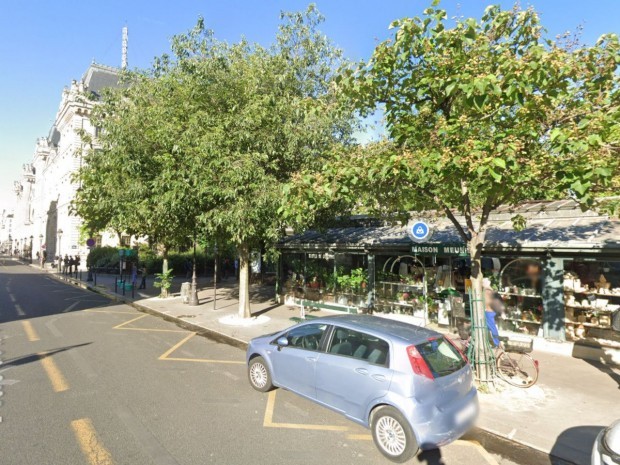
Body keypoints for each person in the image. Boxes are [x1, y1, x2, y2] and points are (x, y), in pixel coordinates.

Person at [483, 279, 505, 347]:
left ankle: (497, 343)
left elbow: (489, 301)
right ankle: (488, 342)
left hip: (489, 311)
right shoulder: (489, 290)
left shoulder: (487, 291)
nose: (482, 283)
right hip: (489, 311)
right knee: (486, 327)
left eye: (483, 282)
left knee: (492, 328)